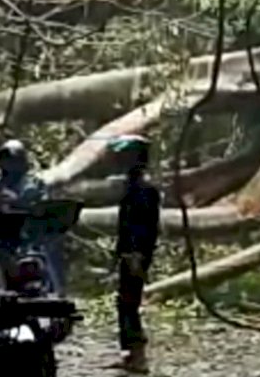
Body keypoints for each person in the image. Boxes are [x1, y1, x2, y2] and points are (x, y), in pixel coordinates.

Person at [0, 139, 67, 295]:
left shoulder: (33, 184)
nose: (6, 164)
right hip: (1, 240)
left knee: (44, 260)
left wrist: (17, 202)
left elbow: (44, 211)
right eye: (3, 159)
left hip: (29, 240)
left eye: (10, 159)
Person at [108, 134, 160, 374]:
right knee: (124, 303)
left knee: (129, 303)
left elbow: (143, 227)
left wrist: (135, 255)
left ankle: (138, 356)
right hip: (130, 253)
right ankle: (130, 354)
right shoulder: (133, 186)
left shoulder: (143, 189)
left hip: (136, 255)